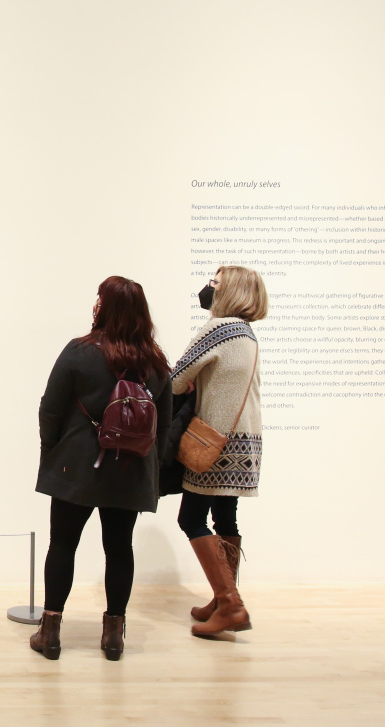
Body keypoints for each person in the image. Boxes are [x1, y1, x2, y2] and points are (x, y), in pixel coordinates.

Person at [30, 276, 172, 661]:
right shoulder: (156, 362)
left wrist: (52, 451)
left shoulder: (80, 352)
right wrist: (150, 471)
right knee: (119, 548)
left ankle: (51, 633)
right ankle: (113, 636)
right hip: (130, 470)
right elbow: (165, 425)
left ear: (103, 307)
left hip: (77, 466)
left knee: (62, 544)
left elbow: (51, 408)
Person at [172, 265, 268, 637]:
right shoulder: (246, 334)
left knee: (191, 519)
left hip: (214, 442)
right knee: (226, 518)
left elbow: (177, 379)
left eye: (214, 284)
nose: (208, 288)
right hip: (246, 443)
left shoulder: (219, 329)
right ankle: (223, 594)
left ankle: (230, 603)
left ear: (230, 292)